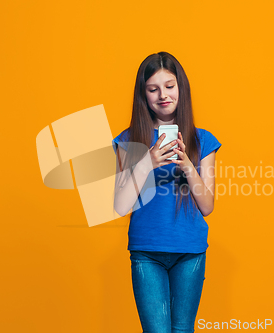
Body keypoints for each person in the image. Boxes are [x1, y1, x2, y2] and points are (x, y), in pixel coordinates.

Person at [112, 51, 222, 333]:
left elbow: (207, 206)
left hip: (190, 250)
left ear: (180, 89)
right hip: (146, 251)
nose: (163, 95)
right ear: (144, 95)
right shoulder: (128, 140)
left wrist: (187, 165)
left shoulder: (202, 140)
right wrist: (147, 162)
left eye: (169, 86)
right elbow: (121, 206)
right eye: (153, 89)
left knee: (182, 329)